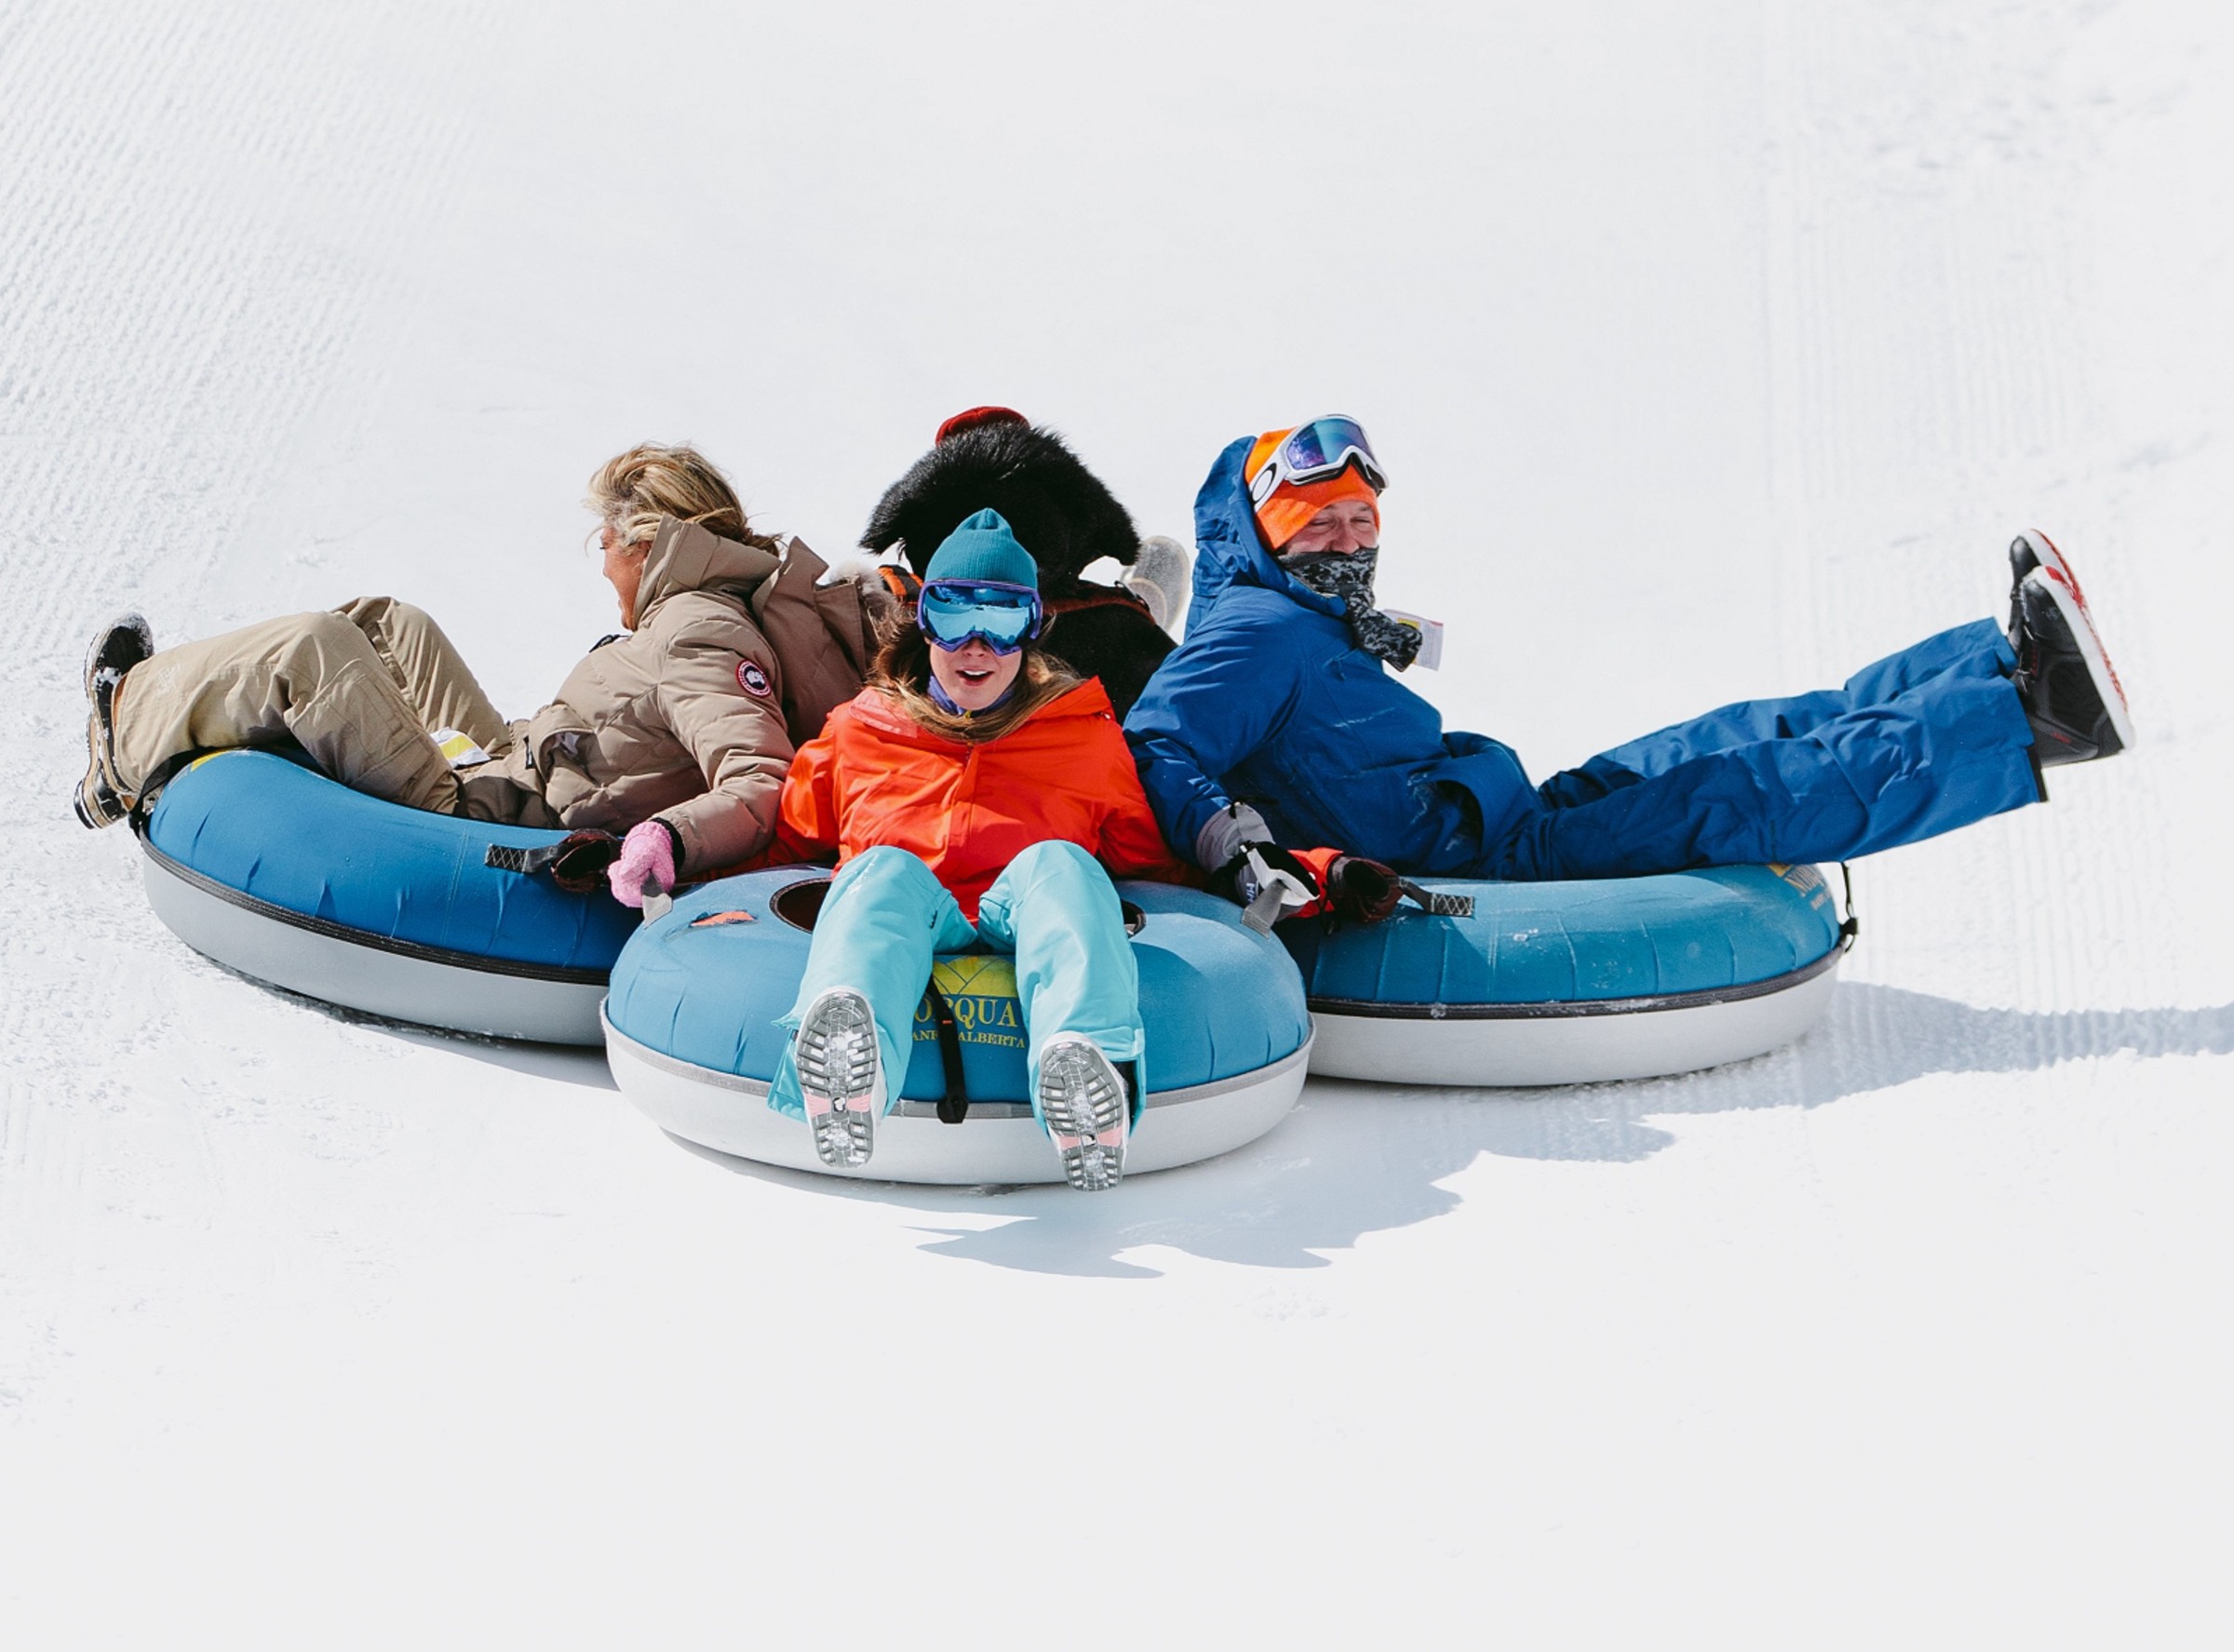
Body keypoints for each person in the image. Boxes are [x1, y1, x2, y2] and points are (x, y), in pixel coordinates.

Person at [1124, 417, 2134, 896]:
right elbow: (1158, 738)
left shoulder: (1305, 616)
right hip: (1476, 866)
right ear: (1267, 534)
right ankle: (2033, 723)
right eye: (1320, 523)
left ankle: (1996, 662)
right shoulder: (1252, 633)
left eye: (1360, 518)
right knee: (1735, 791)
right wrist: (1233, 840)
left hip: (1500, 807)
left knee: (1737, 733)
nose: (1349, 540)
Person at [74, 444, 878, 905]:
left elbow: (762, 778)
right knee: (390, 626)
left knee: (315, 648)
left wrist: (663, 837)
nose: (600, 560)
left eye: (604, 540)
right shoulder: (696, 612)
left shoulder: (701, 629)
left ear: (645, 540)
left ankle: (120, 740)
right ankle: (203, 718)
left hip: (484, 821)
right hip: (508, 766)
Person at [763, 508, 1187, 1190]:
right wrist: (688, 876)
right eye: (955, 617)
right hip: (911, 915)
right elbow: (784, 848)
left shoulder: (1083, 736)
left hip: (1026, 918)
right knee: (878, 869)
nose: (978, 646)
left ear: (1034, 629)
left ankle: (1084, 1071)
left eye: (1004, 619)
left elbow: (1153, 866)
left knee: (1064, 863)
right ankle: (849, 1068)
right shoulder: (859, 731)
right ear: (923, 621)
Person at [859, 406, 1190, 716]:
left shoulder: (893, 602)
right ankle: (1144, 615)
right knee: (1126, 643)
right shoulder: (1107, 620)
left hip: (911, 681)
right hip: (1101, 666)